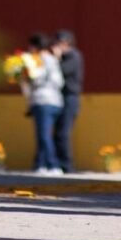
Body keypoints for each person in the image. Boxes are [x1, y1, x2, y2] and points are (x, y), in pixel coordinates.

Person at [21, 33, 64, 175]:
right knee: (44, 134)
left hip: (42, 100)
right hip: (56, 101)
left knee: (43, 135)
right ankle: (40, 164)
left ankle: (53, 165)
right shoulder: (54, 60)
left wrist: (26, 77)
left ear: (34, 47)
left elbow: (36, 79)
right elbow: (60, 82)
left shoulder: (37, 61)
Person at [51, 29, 84, 174]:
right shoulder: (63, 57)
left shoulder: (74, 56)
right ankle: (58, 163)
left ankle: (67, 166)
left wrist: (56, 58)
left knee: (63, 132)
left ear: (66, 43)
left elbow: (62, 71)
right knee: (57, 132)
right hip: (60, 97)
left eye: (59, 43)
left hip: (70, 98)